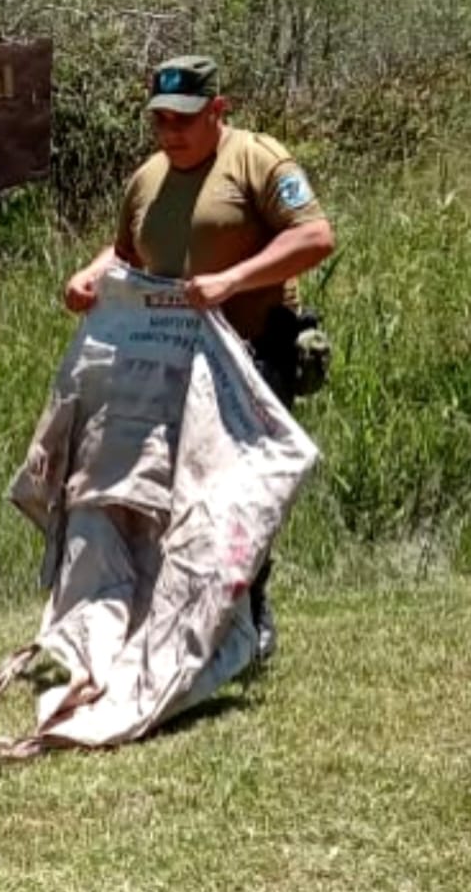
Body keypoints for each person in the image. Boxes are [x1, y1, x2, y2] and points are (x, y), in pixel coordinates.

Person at [62, 55, 336, 663]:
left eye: (184, 119)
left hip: (252, 358)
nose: (170, 132)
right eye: (160, 119)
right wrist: (88, 276)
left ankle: (249, 616)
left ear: (218, 110)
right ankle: (171, 623)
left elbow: (314, 236)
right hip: (169, 360)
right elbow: (127, 253)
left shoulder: (258, 159)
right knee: (169, 495)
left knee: (239, 497)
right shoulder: (148, 177)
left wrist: (233, 280)